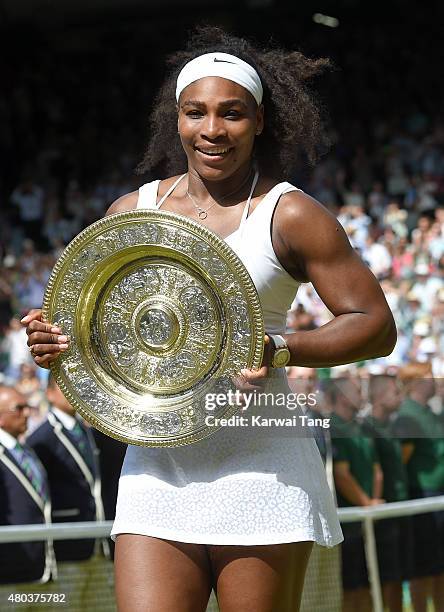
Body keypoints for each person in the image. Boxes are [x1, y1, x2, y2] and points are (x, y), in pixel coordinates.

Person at [22, 27, 396, 612]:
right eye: (196, 113)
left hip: (262, 465)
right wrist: (57, 343)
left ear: (261, 122)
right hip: (157, 467)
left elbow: (375, 325)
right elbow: (100, 339)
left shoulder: (290, 212)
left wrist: (278, 348)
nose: (213, 130)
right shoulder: (132, 213)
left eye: (232, 114)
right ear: (177, 120)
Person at [27, 376, 110, 609]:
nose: (75, 394)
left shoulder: (89, 432)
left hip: (98, 540)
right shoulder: (42, 438)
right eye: (66, 388)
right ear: (50, 393)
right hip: (68, 542)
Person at [327, 377, 384, 612]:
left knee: (368, 585)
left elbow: (376, 469)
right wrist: (366, 503)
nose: (362, 393)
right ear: (342, 396)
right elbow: (341, 475)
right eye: (356, 390)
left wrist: (373, 505)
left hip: (368, 518)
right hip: (347, 523)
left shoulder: (362, 426)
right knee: (349, 588)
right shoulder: (333, 426)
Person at [393, 362, 444, 612]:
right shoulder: (408, 415)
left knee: (439, 567)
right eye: (428, 376)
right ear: (414, 383)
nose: (435, 380)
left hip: (437, 497)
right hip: (421, 496)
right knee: (422, 567)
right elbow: (401, 461)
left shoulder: (431, 413)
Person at [362, 375, 413, 612]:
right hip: (382, 514)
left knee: (399, 573)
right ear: (380, 396)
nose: (400, 397)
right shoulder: (367, 427)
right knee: (385, 577)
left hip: (400, 508)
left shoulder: (391, 425)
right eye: (395, 392)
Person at [0, 385, 56, 587]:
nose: (27, 413)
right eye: (19, 408)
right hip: (9, 571)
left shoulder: (27, 451)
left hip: (41, 565)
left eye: (27, 407)